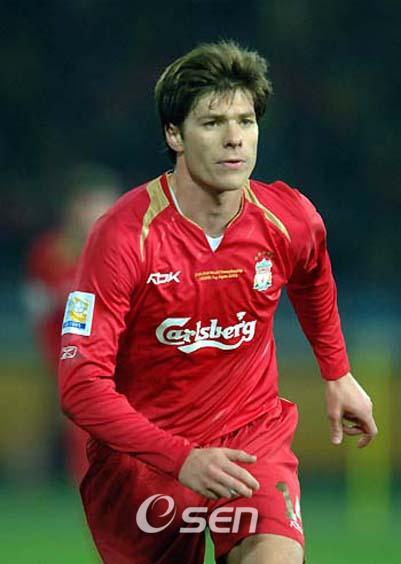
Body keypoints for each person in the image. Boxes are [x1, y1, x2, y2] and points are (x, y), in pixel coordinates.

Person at [58, 41, 378, 564]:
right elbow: (80, 388)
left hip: (251, 439)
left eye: (246, 121)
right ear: (174, 135)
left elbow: (313, 274)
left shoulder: (289, 218)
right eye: (212, 123)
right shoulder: (122, 237)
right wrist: (182, 458)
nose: (235, 139)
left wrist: (337, 372)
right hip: (146, 461)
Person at [25, 164, 119, 484]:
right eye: (90, 204)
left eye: (105, 203)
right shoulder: (49, 254)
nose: (97, 213)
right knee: (85, 445)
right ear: (73, 208)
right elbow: (42, 312)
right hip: (73, 367)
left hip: (122, 362)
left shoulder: (124, 248)